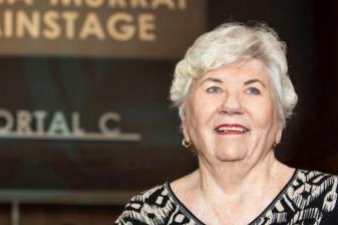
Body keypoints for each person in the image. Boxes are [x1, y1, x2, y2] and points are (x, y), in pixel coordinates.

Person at [114, 22, 338, 225]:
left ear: (279, 120)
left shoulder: (330, 202)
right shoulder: (146, 215)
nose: (231, 105)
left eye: (252, 89)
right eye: (213, 88)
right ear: (185, 122)